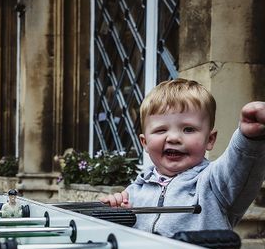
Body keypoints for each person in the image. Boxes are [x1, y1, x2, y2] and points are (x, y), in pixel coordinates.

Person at [100, 79, 265, 237]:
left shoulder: (215, 184)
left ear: (210, 139)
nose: (173, 138)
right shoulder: (134, 191)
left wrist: (249, 138)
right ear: (145, 142)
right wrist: (117, 214)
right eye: (161, 130)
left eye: (188, 129)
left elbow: (240, 164)